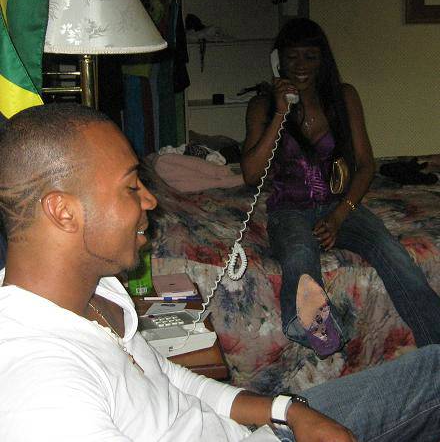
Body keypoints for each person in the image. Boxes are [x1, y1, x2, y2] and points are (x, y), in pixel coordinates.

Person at [0, 103, 439, 442]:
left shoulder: (99, 291)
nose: (150, 201)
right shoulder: (41, 387)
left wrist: (287, 411)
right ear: (63, 212)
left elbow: (170, 381)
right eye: (131, 186)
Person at [241, 18, 440, 357]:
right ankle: (314, 326)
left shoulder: (344, 97)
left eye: (310, 57)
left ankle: (435, 344)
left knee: (392, 252)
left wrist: (338, 216)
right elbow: (250, 174)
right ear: (278, 61)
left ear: (323, 60)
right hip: (289, 208)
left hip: (340, 204)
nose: (301, 65)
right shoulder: (262, 106)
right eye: (292, 57)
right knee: (299, 253)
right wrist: (280, 112)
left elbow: (366, 165)